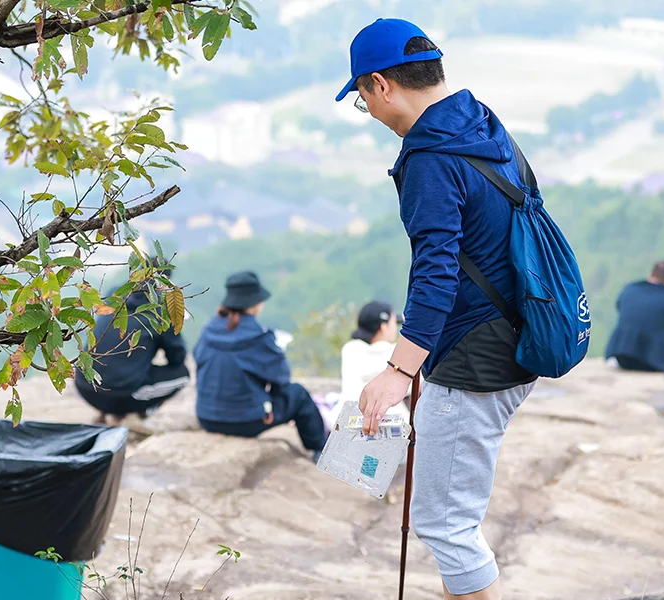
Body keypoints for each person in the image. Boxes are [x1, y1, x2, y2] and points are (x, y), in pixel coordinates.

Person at [336, 19, 538, 600]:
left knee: (446, 526)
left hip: (477, 357)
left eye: (360, 98)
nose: (367, 110)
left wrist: (400, 369)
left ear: (380, 85)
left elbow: (437, 268)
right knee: (450, 520)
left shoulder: (430, 158)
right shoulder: (480, 124)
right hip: (512, 332)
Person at [194, 271, 327, 460]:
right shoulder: (259, 337)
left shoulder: (208, 330)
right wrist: (265, 407)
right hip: (246, 421)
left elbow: (200, 364)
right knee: (298, 394)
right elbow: (281, 379)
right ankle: (319, 449)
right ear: (255, 303)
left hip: (206, 418)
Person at [75, 282, 190, 428]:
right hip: (122, 397)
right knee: (182, 374)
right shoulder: (161, 312)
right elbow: (177, 358)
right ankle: (137, 415)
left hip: (85, 387)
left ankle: (105, 414)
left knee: (116, 363)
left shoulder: (114, 294)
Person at [322, 301, 410, 429]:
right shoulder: (396, 353)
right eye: (393, 323)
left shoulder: (350, 350)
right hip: (390, 423)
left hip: (346, 421)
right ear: (384, 327)